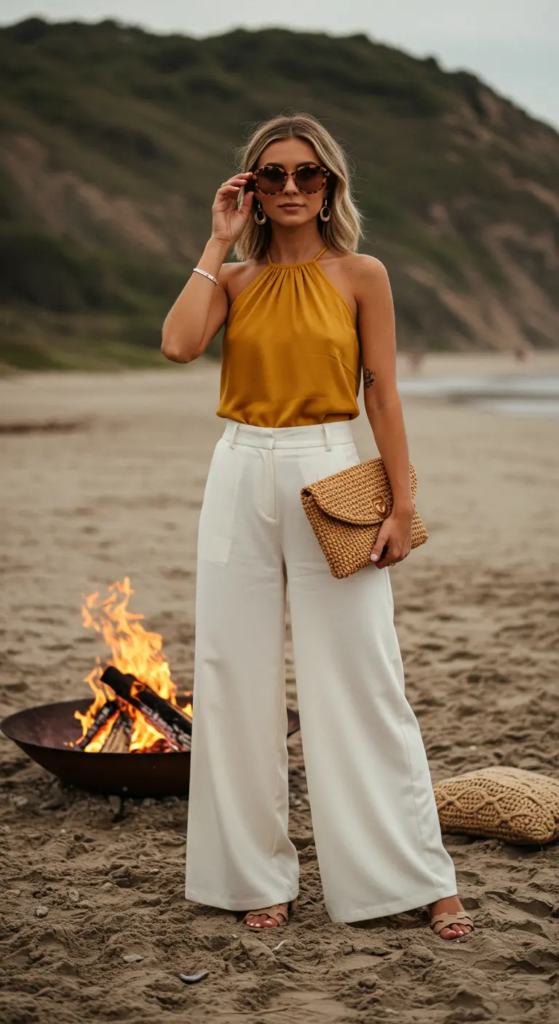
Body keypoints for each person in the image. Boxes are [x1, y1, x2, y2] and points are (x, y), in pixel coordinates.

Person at [161, 113, 475, 941]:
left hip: (333, 466)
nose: (292, 188)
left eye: (308, 175)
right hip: (237, 470)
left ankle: (410, 877)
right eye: (273, 176)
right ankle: (252, 875)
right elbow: (176, 345)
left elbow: (382, 391)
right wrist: (215, 240)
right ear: (251, 191)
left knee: (362, 680)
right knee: (233, 678)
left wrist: (401, 504)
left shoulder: (361, 273)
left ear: (330, 185)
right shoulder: (231, 280)